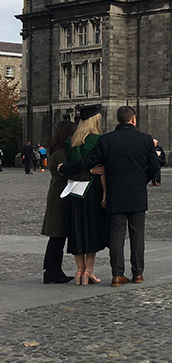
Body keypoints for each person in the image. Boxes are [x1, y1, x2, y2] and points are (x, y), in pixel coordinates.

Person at [59, 105, 157, 287]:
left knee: (116, 237)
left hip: (115, 193)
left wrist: (65, 169)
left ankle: (117, 275)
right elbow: (154, 167)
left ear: (118, 120)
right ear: (133, 120)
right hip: (136, 194)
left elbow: (88, 162)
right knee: (137, 236)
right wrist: (141, 182)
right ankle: (137, 274)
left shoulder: (107, 140)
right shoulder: (145, 139)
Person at [64, 104, 109, 286]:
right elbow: (103, 169)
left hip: (75, 190)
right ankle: (89, 271)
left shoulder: (71, 142)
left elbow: (67, 167)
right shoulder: (98, 140)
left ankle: (79, 271)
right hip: (93, 189)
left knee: (77, 230)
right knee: (92, 229)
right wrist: (106, 190)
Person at [40, 120, 77, 284]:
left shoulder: (56, 150)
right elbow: (66, 171)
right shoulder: (61, 152)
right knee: (57, 234)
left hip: (58, 191)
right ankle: (52, 271)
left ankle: (52, 269)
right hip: (61, 192)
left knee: (57, 235)